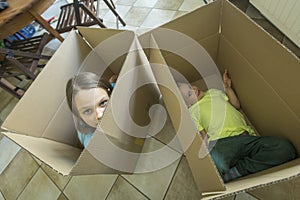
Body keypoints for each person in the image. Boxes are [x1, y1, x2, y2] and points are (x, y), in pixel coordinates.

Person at [177, 69, 297, 182]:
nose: (193, 89)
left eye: (189, 86)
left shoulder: (213, 92)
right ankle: (231, 170)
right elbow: (204, 136)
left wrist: (228, 89)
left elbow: (236, 105)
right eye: (189, 94)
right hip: (223, 143)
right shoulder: (193, 112)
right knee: (216, 159)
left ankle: (240, 170)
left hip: (246, 138)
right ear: (187, 105)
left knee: (286, 148)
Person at [66, 72, 116, 147]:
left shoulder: (112, 93)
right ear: (78, 116)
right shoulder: (92, 142)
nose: (99, 115)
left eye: (103, 103)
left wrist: (113, 83)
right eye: (87, 111)